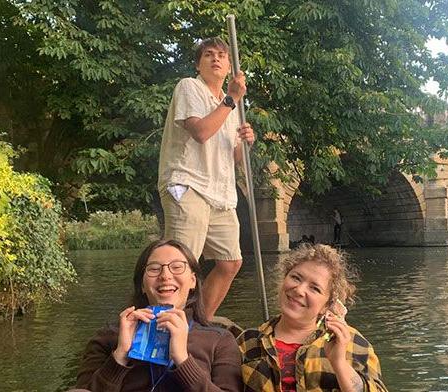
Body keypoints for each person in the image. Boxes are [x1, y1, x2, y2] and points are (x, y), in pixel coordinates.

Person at [157, 37, 255, 319]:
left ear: (229, 66)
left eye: (222, 55)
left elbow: (233, 158)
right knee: (178, 265)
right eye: (208, 55)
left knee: (230, 262)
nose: (216, 59)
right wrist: (232, 99)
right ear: (198, 64)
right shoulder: (189, 87)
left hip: (220, 194)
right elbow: (200, 133)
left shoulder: (229, 107)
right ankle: (164, 332)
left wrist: (246, 143)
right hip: (188, 185)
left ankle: (196, 322)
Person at [73, 239, 242, 392]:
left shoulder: (220, 340)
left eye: (177, 267)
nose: (165, 276)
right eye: (154, 269)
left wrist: (183, 360)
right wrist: (119, 356)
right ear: (142, 285)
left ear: (192, 280)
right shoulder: (108, 337)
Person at [237, 244, 388, 392]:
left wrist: (339, 363)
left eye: (314, 288)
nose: (299, 290)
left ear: (326, 305)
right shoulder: (248, 341)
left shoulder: (353, 342)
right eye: (296, 278)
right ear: (284, 279)